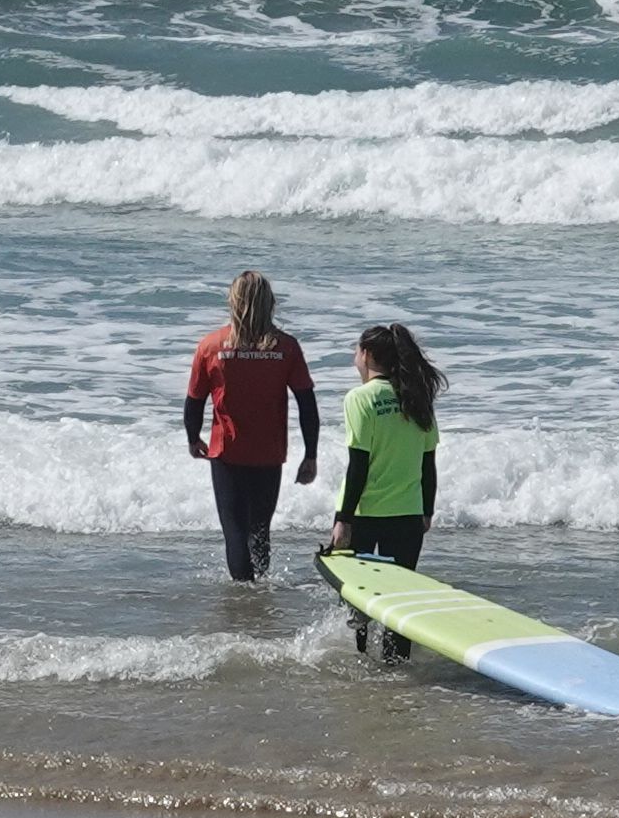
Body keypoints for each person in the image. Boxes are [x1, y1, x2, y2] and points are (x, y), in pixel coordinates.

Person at [181, 271, 320, 582]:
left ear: (233, 302)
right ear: (269, 303)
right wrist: (310, 454)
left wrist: (193, 438)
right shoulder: (286, 347)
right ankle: (257, 599)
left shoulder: (211, 346)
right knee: (259, 530)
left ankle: (245, 601)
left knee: (235, 532)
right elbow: (307, 404)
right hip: (269, 454)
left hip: (227, 452)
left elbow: (194, 401)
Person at [322, 322, 443, 655]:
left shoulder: (360, 399)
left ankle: (362, 663)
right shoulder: (417, 399)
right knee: (399, 605)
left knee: (359, 600)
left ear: (368, 355)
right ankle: (396, 671)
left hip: (365, 514)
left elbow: (358, 464)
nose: (354, 357)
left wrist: (343, 518)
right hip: (408, 515)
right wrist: (427, 511)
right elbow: (427, 462)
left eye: (356, 350)